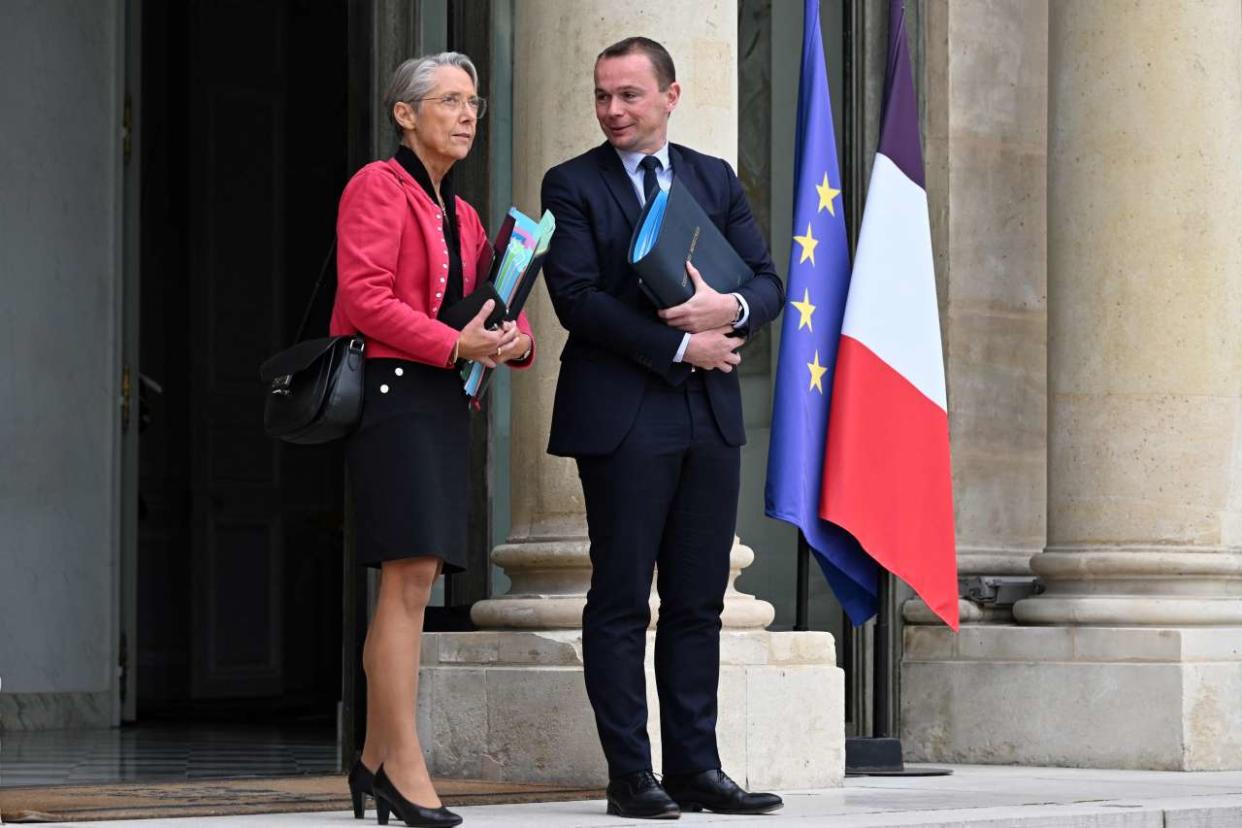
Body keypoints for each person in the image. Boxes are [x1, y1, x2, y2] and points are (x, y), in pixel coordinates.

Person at [540, 36, 785, 819]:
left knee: (696, 601)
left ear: (670, 97)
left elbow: (767, 281)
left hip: (708, 414)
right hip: (624, 413)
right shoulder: (571, 183)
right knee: (619, 600)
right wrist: (684, 341)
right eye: (603, 96)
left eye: (630, 96)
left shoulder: (713, 178)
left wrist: (732, 310)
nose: (613, 110)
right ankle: (630, 776)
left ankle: (696, 768)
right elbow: (576, 298)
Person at [330, 52, 535, 828]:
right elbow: (366, 299)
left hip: (442, 401)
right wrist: (457, 348)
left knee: (416, 585)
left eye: (473, 102)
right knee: (406, 581)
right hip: (395, 397)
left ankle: (376, 764)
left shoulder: (467, 211)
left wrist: (511, 342)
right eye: (449, 100)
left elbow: (485, 310)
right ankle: (401, 764)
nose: (467, 114)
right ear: (405, 114)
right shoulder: (377, 187)